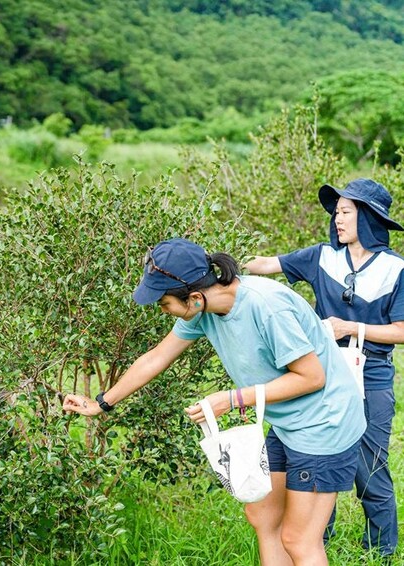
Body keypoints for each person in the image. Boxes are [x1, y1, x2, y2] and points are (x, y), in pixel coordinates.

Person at [64, 238, 366, 565]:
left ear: (194, 298)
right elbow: (156, 358)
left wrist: (232, 399)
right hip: (288, 422)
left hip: (325, 422)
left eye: (163, 303)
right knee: (263, 517)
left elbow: (312, 377)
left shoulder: (266, 306)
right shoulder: (203, 310)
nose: (161, 310)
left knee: (299, 538)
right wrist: (101, 403)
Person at [245, 178, 404, 559]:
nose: (337, 220)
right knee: (314, 459)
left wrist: (352, 328)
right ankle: (314, 546)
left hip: (372, 375)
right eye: (336, 213)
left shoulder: (396, 269)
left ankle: (381, 553)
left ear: (368, 217)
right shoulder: (322, 257)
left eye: (346, 212)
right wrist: (216, 266)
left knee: (370, 467)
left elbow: (401, 329)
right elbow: (268, 265)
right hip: (322, 377)